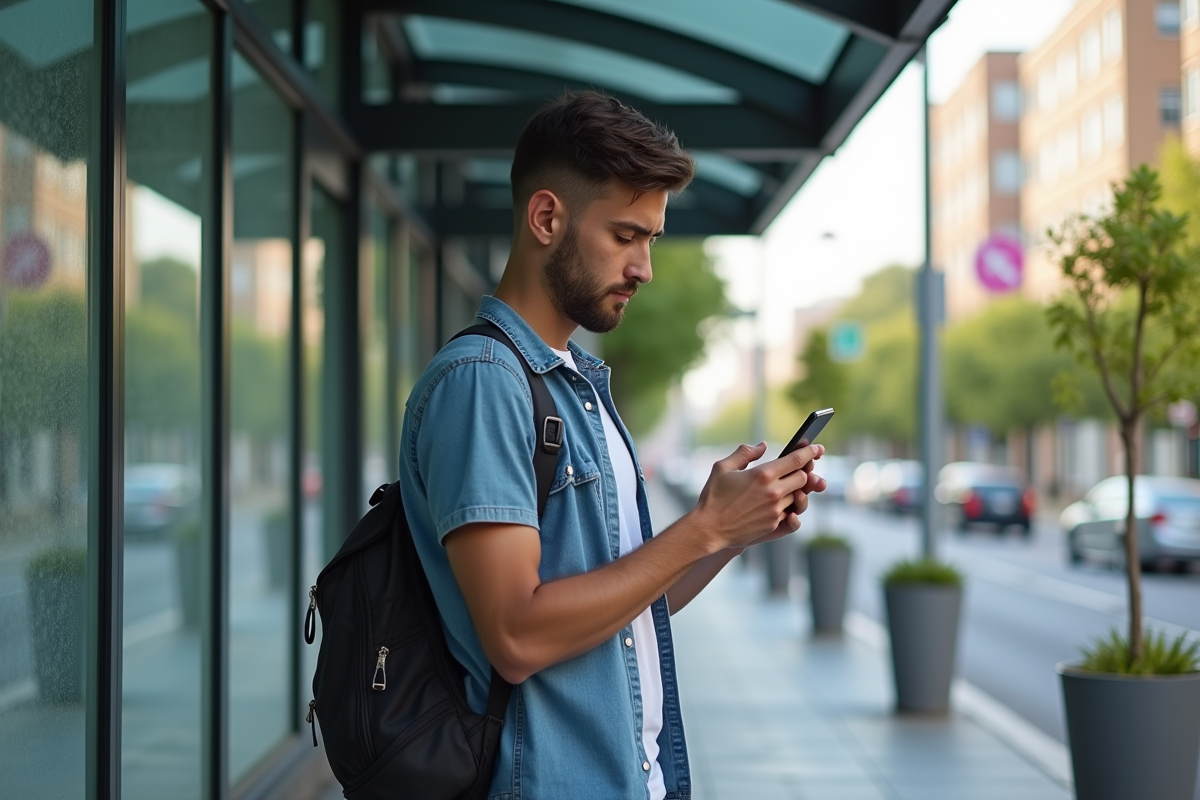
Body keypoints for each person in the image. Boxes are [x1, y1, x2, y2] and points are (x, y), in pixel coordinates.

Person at [398, 91, 826, 800]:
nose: (644, 268)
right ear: (546, 218)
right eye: (626, 235)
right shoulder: (482, 384)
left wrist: (730, 534)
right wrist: (703, 527)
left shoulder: (578, 387)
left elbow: (628, 609)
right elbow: (516, 637)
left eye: (651, 240)